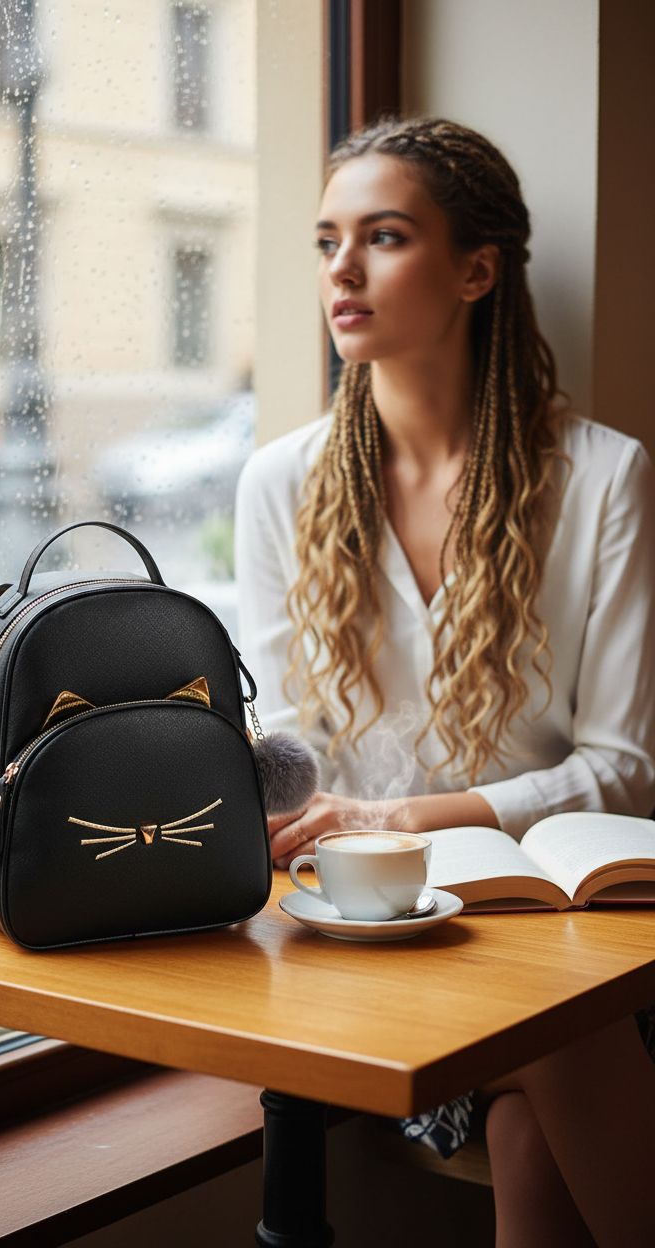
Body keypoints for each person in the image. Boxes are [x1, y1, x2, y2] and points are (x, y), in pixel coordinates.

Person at [234, 116, 655, 1246]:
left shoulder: (604, 477)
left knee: (542, 1078)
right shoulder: (281, 484)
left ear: (476, 270)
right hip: (367, 933)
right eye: (328, 239)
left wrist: (394, 812)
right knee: (551, 1058)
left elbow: (622, 770)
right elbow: (286, 737)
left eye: (382, 236)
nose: (342, 269)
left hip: (560, 926)